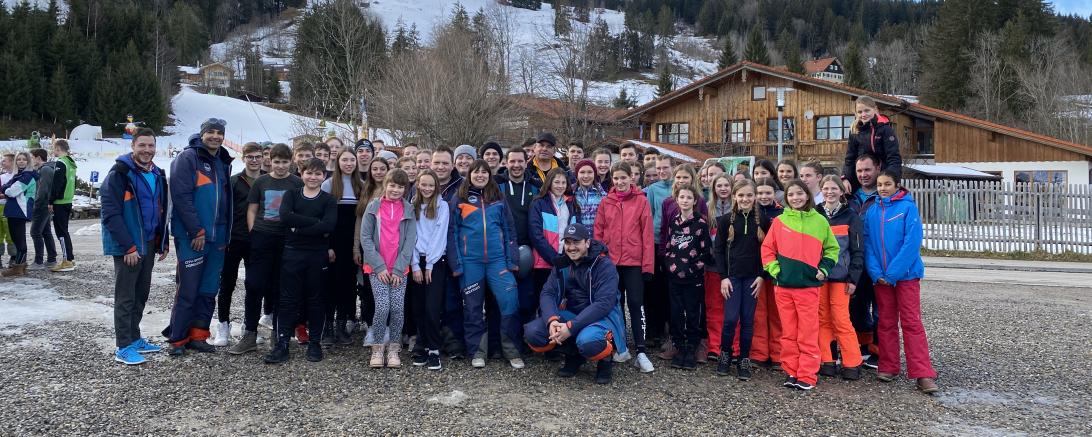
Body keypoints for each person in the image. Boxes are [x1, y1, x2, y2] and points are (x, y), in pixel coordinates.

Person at [524, 223, 629, 384]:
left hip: (601, 318)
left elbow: (604, 304)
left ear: (587, 243)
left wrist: (571, 327)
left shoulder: (604, 265)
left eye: (576, 242)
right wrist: (552, 320)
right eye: (567, 242)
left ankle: (605, 361)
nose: (571, 247)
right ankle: (574, 356)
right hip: (572, 314)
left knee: (589, 342)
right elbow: (548, 293)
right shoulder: (562, 264)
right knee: (534, 333)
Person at [760, 180, 839, 391]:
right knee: (788, 332)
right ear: (786, 198)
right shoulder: (779, 222)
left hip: (808, 288)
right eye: (791, 194)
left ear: (807, 195)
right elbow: (767, 250)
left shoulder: (820, 221)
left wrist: (823, 270)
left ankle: (807, 374)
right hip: (783, 287)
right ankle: (791, 370)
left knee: (807, 331)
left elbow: (832, 249)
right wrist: (776, 271)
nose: (796, 198)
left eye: (799, 193)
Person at [165, 118, 234, 356]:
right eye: (210, 132)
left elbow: (225, 202)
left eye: (219, 133)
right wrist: (196, 230)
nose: (215, 136)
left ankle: (198, 335)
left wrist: (225, 235)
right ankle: (178, 338)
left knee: (208, 288)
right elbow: (181, 196)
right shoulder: (188, 158)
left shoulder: (222, 161)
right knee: (188, 288)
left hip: (218, 237)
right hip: (194, 236)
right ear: (201, 133)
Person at [865, 170, 938, 394]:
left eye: (888, 184)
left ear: (897, 185)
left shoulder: (908, 208)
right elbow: (867, 243)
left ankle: (922, 373)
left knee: (911, 323)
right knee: (885, 322)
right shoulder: (872, 211)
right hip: (881, 279)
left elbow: (911, 243)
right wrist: (876, 272)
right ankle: (888, 365)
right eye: (879, 184)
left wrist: (893, 273)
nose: (883, 188)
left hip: (905, 276)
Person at [101, 129, 170, 365]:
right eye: (142, 145)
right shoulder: (119, 174)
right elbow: (110, 214)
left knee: (141, 293)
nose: (147, 150)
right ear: (133, 146)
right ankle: (123, 346)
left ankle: (134, 337)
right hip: (129, 246)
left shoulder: (157, 173)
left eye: (151, 146)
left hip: (149, 243)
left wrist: (163, 240)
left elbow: (161, 210)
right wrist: (128, 247)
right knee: (125, 296)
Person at [447, 160, 524, 369]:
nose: (480, 176)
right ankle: (477, 351)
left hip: (498, 262)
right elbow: (452, 232)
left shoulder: (498, 198)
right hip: (470, 262)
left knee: (509, 302)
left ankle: (511, 350)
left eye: (484, 172)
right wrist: (456, 264)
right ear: (469, 174)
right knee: (473, 307)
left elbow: (509, 230)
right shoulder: (459, 198)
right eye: (476, 172)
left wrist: (512, 260)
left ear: (489, 175)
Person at [229, 143, 302, 355]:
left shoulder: (296, 182)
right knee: (254, 284)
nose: (280, 166)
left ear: (291, 162)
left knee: (281, 287)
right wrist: (254, 232)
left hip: (286, 239)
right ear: (270, 160)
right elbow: (252, 208)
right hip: (262, 237)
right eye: (277, 161)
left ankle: (278, 333)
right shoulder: (262, 181)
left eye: (285, 162)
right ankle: (250, 333)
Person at [264, 158, 337, 364]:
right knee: (288, 299)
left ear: (324, 176)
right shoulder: (292, 194)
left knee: (315, 299)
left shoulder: (328, 200)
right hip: (293, 252)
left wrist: (301, 227)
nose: (313, 177)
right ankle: (282, 344)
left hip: (317, 255)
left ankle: (315, 343)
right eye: (309, 173)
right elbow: (285, 217)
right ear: (301, 173)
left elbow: (329, 225)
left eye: (318, 174)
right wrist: (316, 223)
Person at [594, 161, 655, 373]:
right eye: (616, 178)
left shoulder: (641, 201)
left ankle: (641, 350)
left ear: (631, 178)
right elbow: (598, 233)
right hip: (611, 263)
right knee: (614, 305)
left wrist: (648, 266)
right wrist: (600, 260)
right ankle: (620, 347)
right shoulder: (606, 202)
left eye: (623, 177)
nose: (619, 182)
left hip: (634, 262)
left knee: (636, 304)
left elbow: (647, 235)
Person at [360, 169, 416, 368]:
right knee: (383, 306)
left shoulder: (408, 209)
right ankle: (377, 346)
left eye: (400, 187)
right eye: (392, 185)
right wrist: (380, 266)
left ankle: (393, 347)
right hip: (377, 268)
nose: (395, 190)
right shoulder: (373, 206)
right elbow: (365, 237)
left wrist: (399, 269)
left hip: (399, 269)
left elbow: (410, 241)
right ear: (385, 184)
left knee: (398, 308)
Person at [713, 179, 769, 379]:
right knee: (730, 319)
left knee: (747, 320)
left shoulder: (762, 221)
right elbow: (718, 251)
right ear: (734, 196)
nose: (745, 199)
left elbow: (769, 251)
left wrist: (763, 276)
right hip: (733, 278)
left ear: (754, 197)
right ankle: (725, 354)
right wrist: (723, 278)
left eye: (749, 195)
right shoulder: (725, 221)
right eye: (741, 195)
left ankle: (744, 358)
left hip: (753, 279)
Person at [211, 142, 263, 347]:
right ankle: (223, 325)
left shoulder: (267, 181)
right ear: (244, 158)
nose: (254, 160)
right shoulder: (233, 181)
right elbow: (223, 210)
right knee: (227, 284)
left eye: (258, 156)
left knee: (254, 285)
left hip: (258, 240)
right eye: (250, 156)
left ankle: (249, 326)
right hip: (234, 240)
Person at [816, 175, 864, 381]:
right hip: (819, 277)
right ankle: (827, 360)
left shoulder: (851, 216)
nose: (829, 192)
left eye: (834, 188)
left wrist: (853, 278)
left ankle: (852, 362)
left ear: (841, 191)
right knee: (822, 319)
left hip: (841, 277)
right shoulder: (815, 214)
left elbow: (858, 250)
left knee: (841, 319)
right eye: (825, 188)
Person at [663, 185, 712, 371]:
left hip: (693, 277)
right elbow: (669, 246)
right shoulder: (673, 221)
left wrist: (692, 269)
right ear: (677, 200)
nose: (684, 200)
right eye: (681, 197)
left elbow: (705, 251)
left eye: (688, 197)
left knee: (692, 312)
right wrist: (670, 266)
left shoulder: (700, 222)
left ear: (695, 200)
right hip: (674, 276)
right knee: (676, 312)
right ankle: (679, 345)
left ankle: (691, 347)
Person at [320, 148, 364, 346]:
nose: (348, 163)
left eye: (351, 160)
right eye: (344, 160)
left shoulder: (360, 186)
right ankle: (327, 327)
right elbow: (323, 218)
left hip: (351, 245)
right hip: (332, 243)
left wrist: (357, 248)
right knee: (329, 285)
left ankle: (341, 326)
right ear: (337, 162)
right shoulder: (329, 185)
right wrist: (327, 245)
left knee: (347, 286)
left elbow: (360, 219)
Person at [494, 147, 541, 329]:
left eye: (520, 161)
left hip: (528, 250)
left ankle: (525, 339)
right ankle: (500, 341)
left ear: (526, 161)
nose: (516, 165)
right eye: (512, 161)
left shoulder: (536, 187)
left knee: (527, 298)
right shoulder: (497, 185)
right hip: (503, 250)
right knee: (502, 297)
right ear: (506, 162)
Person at [409, 170, 449, 370]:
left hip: (435, 262)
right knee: (419, 307)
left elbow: (439, 236)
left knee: (432, 308)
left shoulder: (443, 206)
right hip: (416, 261)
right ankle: (421, 345)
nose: (427, 188)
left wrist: (430, 264)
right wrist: (416, 265)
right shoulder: (411, 206)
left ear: (436, 187)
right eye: (423, 184)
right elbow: (411, 237)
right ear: (417, 185)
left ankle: (434, 348)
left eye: (431, 185)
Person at [850, 153, 882, 368]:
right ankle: (863, 346)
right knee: (857, 305)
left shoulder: (884, 196)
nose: (863, 174)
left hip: (879, 259)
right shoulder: (850, 196)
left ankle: (880, 351)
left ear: (877, 168)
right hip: (856, 259)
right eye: (859, 171)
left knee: (880, 308)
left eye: (867, 170)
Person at [750, 177, 784, 368]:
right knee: (759, 313)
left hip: (777, 268)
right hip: (756, 269)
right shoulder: (751, 213)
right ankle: (759, 352)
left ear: (774, 194)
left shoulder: (782, 213)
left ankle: (779, 353)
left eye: (767, 193)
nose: (764, 196)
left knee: (777, 313)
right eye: (760, 193)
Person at [530, 168, 580, 294]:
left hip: (566, 260)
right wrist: (554, 258)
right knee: (544, 298)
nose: (560, 186)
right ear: (549, 183)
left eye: (563, 183)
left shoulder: (571, 203)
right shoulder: (539, 203)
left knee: (563, 299)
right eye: (557, 182)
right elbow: (536, 235)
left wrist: (566, 256)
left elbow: (576, 231)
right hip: (544, 262)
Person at [703, 174, 733, 358]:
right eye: (719, 185)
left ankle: (732, 347)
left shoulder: (738, 208)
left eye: (726, 185)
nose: (723, 189)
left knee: (733, 308)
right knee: (714, 307)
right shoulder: (708, 209)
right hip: (713, 266)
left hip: (734, 265)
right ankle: (715, 346)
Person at [844, 96, 902, 191]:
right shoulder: (854, 131)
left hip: (882, 178)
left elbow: (893, 158)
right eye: (859, 112)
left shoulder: (885, 129)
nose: (863, 114)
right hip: (862, 178)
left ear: (875, 109)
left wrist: (890, 179)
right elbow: (850, 158)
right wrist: (845, 178)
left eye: (867, 111)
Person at [0, 152, 36, 277]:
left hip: (19, 209)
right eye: (18, 159)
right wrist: (6, 188)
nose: (21, 161)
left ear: (28, 162)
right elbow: (6, 187)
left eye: (24, 159)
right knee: (18, 239)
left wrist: (6, 189)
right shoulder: (19, 175)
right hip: (15, 210)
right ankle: (22, 265)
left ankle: (18, 267)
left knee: (18, 240)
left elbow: (11, 191)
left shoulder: (26, 176)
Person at [48, 139, 77, 272]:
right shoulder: (71, 162)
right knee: (64, 230)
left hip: (60, 202)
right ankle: (70, 258)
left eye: (54, 149)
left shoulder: (61, 162)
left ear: (58, 149)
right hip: (68, 200)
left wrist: (51, 201)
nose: (53, 151)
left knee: (60, 232)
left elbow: (57, 183)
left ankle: (66, 261)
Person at [29, 148, 58, 270]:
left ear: (38, 158)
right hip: (46, 204)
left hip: (42, 205)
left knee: (35, 232)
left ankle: (38, 261)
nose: (31, 160)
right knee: (46, 232)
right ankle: (51, 259)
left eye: (32, 158)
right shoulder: (45, 169)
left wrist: (36, 203)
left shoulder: (45, 169)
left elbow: (43, 189)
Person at [572, 160, 605, 227]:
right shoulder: (571, 193)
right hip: (578, 236)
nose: (586, 176)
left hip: (597, 236)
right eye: (582, 172)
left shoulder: (603, 195)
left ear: (594, 174)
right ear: (577, 174)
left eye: (590, 172)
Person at [0, 154, 16, 267]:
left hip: (10, 207)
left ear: (11, 162)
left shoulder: (17, 176)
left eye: (4, 161)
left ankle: (13, 257)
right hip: (0, 206)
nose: (2, 163)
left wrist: (6, 195)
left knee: (11, 233)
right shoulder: (1, 177)